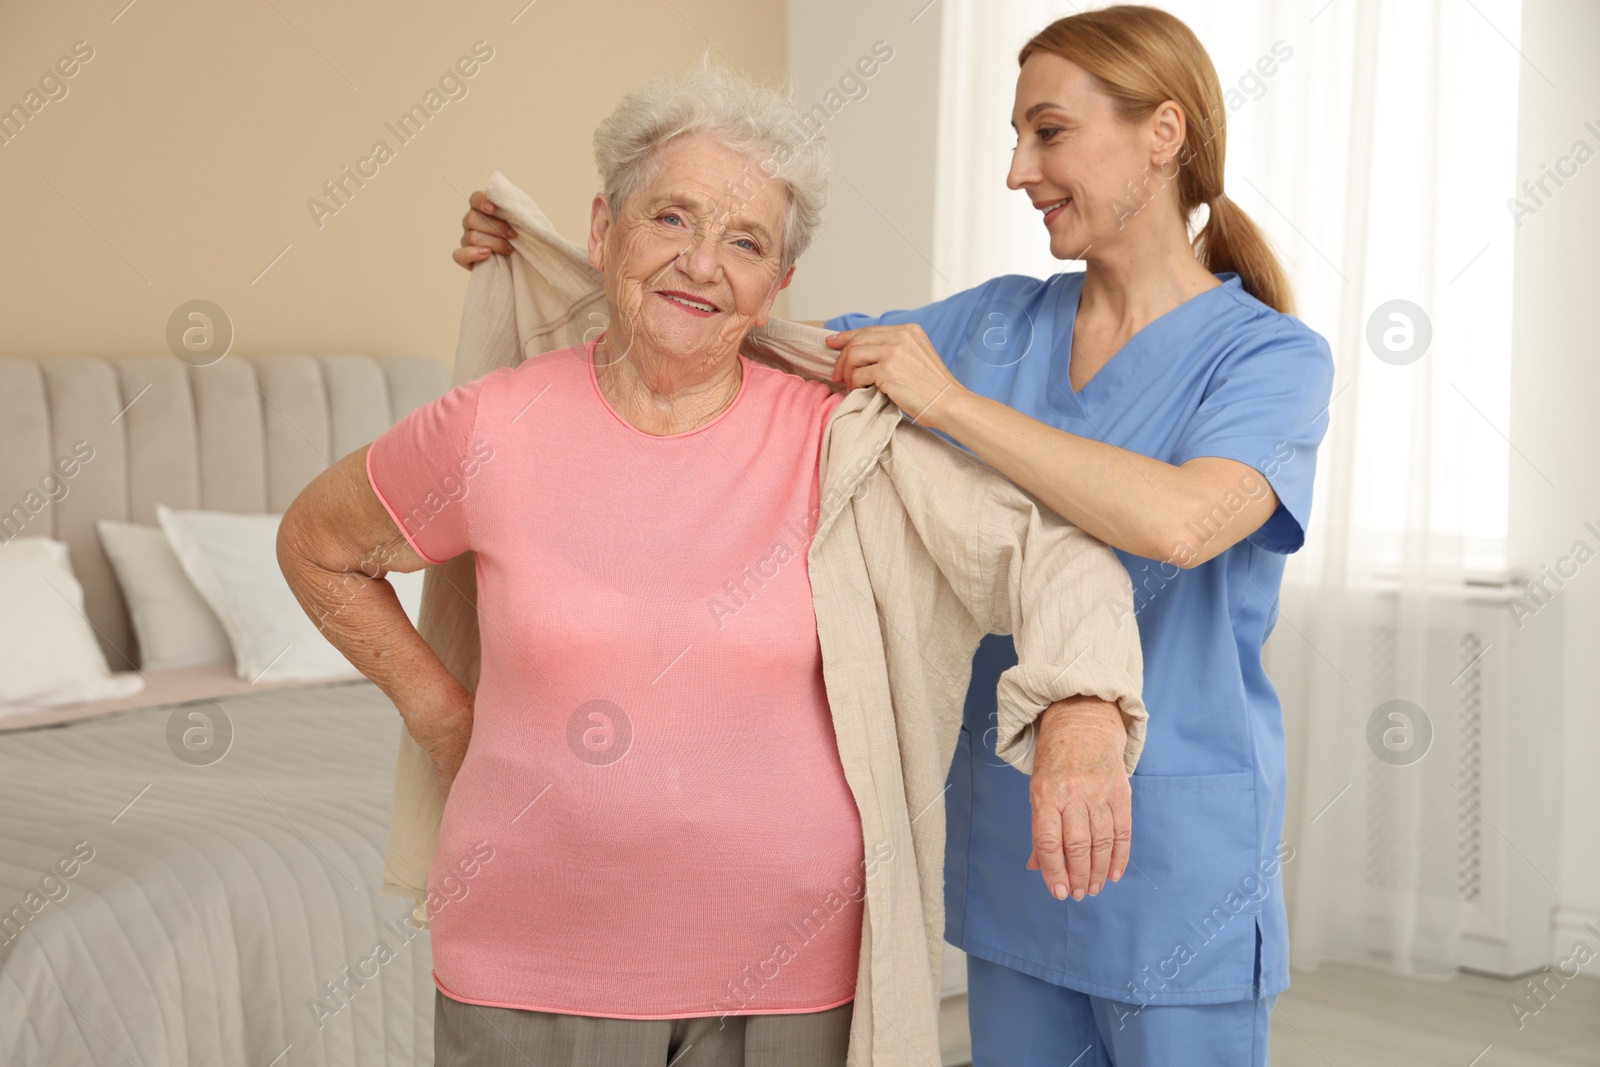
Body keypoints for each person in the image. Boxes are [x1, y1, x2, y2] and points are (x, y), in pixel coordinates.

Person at [449, 6, 1334, 1064]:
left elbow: (1184, 519)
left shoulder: (1272, 357)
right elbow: (754, 337)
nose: (1018, 169)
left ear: (1162, 133)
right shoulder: (1002, 319)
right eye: (1013, 136)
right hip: (1013, 835)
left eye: (1046, 132)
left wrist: (951, 404)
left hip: (1174, 853)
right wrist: (548, 255)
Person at [282, 64, 1146, 1067]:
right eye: (671, 219)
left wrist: (1081, 710)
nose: (701, 263)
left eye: (744, 242)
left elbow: (1053, 555)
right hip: (528, 963)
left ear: (779, 283)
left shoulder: (838, 442)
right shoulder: (492, 424)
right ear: (605, 231)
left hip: (789, 977)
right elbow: (316, 545)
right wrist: (441, 712)